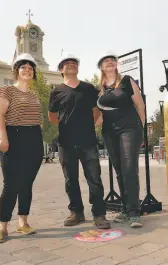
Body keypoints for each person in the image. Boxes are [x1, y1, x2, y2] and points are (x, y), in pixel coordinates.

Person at [48, 54, 110, 229]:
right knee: (70, 179)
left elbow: (96, 110)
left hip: (88, 140)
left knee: (94, 178)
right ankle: (77, 212)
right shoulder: (56, 91)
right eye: (67, 64)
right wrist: (65, 125)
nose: (71, 65)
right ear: (61, 70)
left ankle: (99, 213)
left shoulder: (88, 88)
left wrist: (88, 124)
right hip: (65, 142)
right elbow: (52, 116)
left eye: (74, 63)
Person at [0, 53, 44, 243]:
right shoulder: (6, 90)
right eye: (23, 67)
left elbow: (37, 118)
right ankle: (2, 226)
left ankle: (23, 222)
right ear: (16, 71)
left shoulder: (34, 94)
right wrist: (3, 138)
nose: (27, 70)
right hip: (13, 136)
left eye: (30, 68)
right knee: (11, 184)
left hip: (34, 138)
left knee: (26, 184)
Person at [96, 53, 146, 228]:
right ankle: (125, 208)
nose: (109, 62)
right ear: (101, 68)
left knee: (129, 168)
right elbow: (100, 115)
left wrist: (142, 127)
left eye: (112, 60)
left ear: (116, 65)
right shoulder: (100, 89)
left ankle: (134, 213)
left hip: (129, 128)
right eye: (105, 61)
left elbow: (139, 104)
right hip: (109, 132)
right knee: (119, 170)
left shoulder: (126, 80)